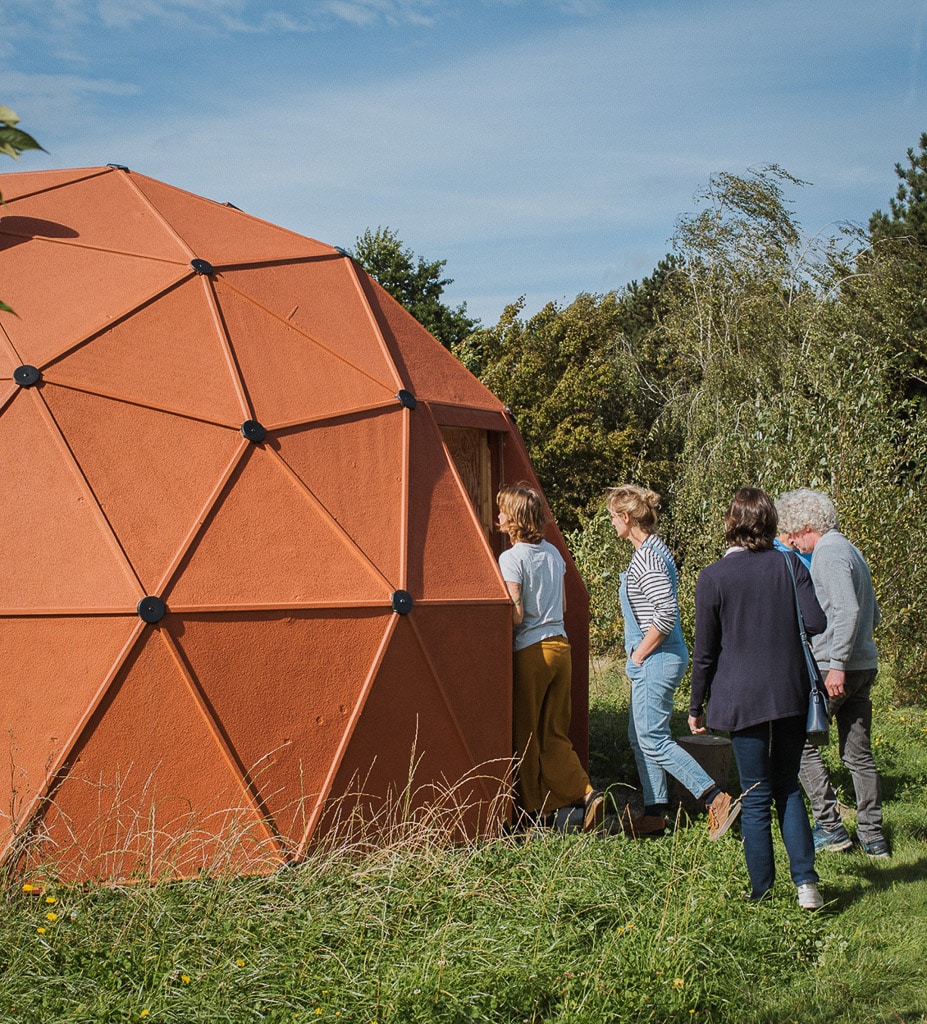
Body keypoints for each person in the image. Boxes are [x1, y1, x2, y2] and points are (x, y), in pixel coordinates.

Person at [689, 487, 827, 908]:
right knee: (787, 785)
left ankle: (762, 894)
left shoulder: (713, 577)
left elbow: (705, 652)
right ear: (771, 523)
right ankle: (807, 885)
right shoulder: (789, 564)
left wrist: (696, 706)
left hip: (740, 697)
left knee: (754, 794)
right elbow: (816, 622)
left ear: (731, 523)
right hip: (790, 692)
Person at [608, 485, 739, 840]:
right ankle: (654, 814)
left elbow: (664, 615)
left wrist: (639, 654)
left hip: (656, 657)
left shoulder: (648, 558)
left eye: (613, 517)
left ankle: (715, 798)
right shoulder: (651, 550)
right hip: (656, 657)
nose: (612, 523)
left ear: (627, 517)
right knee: (641, 737)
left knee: (653, 738)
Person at [776, 488, 888, 858]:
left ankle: (829, 825)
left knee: (801, 743)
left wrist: (837, 664)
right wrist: (857, 652)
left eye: (794, 535)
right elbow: (872, 614)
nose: (792, 543)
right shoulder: (852, 550)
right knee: (858, 754)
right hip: (863, 664)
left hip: (834, 668)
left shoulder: (828, 553)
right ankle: (873, 837)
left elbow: (848, 610)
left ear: (807, 526)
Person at [496, 483, 604, 831]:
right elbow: (565, 606)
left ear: (514, 519)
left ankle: (532, 812)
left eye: (502, 511)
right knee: (555, 733)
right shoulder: (554, 554)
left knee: (527, 736)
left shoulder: (511, 558)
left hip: (531, 653)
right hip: (561, 648)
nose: (498, 516)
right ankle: (586, 793)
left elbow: (516, 615)